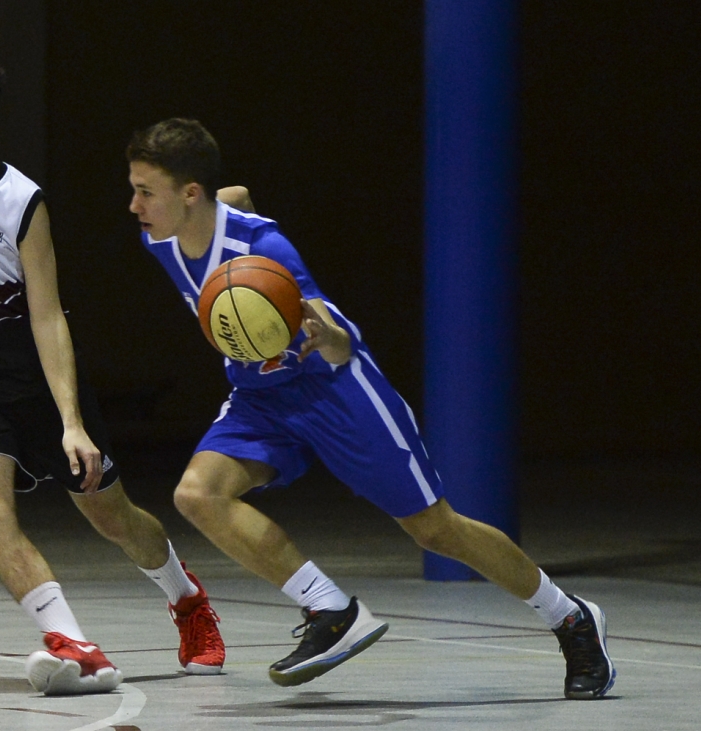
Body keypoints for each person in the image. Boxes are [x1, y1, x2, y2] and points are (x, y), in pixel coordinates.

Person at [125, 117, 615, 699]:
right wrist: (232, 201)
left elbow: (338, 340)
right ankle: (330, 609)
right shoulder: (163, 235)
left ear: (189, 193)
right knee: (198, 494)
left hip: (336, 392)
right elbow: (233, 196)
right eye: (133, 189)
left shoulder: (267, 250)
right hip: (262, 398)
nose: (134, 205)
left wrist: (325, 337)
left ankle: (570, 617)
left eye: (145, 191)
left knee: (436, 530)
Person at [0, 46, 224, 696]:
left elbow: (47, 316)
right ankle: (73, 643)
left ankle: (186, 598)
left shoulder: (20, 201)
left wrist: (71, 422)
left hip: (35, 380)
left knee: (113, 516)